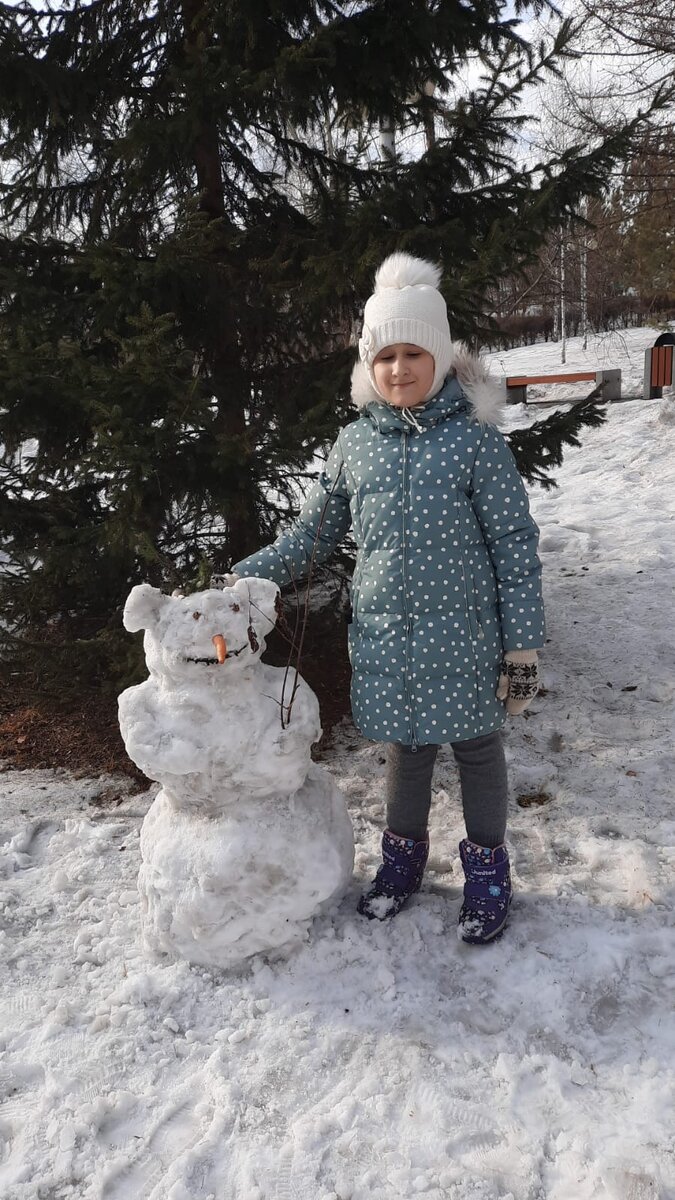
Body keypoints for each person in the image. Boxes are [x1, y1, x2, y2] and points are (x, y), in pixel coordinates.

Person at [223, 252, 545, 944]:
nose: (399, 368)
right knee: (405, 752)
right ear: (369, 366)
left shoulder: (474, 445)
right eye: (385, 356)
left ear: (438, 357)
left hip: (465, 641)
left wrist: (521, 645)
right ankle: (402, 862)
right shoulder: (353, 447)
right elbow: (313, 534)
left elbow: (514, 546)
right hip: (386, 640)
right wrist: (246, 578)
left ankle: (488, 870)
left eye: (413, 353)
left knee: (477, 752)